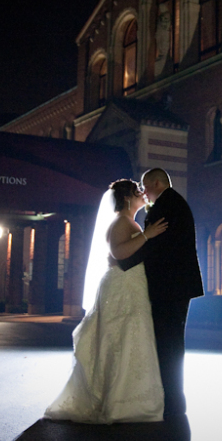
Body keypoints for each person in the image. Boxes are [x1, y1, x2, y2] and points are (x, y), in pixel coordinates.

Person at [44, 179, 168, 423]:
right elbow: (119, 252)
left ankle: (131, 397)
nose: (143, 194)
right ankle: (117, 401)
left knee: (131, 337)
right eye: (137, 191)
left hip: (131, 285)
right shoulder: (120, 222)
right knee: (119, 338)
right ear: (126, 199)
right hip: (121, 286)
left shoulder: (128, 221)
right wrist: (147, 235)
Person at [118, 168, 203, 417]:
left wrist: (123, 263)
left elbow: (155, 247)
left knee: (168, 344)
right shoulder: (174, 203)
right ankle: (174, 399)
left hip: (169, 286)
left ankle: (172, 402)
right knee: (171, 343)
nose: (144, 192)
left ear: (157, 182)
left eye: (145, 186)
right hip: (175, 285)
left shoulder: (166, 206)